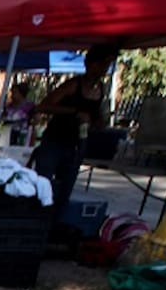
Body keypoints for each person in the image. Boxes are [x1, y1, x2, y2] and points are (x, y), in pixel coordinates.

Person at [31, 44, 118, 227]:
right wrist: (74, 112)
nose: (104, 69)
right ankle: (35, 223)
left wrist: (98, 121)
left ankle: (53, 226)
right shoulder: (73, 85)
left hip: (76, 145)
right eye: (102, 64)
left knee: (65, 189)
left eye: (107, 65)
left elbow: (95, 116)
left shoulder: (100, 89)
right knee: (43, 185)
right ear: (91, 64)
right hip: (54, 141)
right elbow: (43, 106)